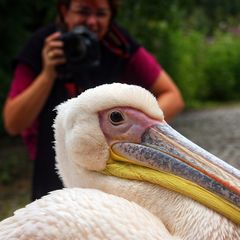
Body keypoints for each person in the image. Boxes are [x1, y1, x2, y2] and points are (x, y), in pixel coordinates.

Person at [3, 0, 184, 201]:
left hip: (109, 176)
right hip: (50, 173)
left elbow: (173, 96)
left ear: (111, 15)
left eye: (101, 14)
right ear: (64, 11)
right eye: (83, 11)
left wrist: (129, 130)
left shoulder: (118, 44)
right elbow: (13, 123)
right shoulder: (45, 45)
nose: (92, 22)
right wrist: (47, 74)